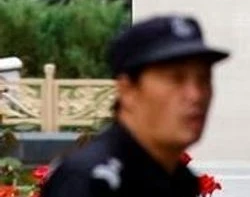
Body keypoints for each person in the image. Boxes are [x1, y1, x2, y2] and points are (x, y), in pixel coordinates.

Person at [39, 15, 230, 197]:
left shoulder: (180, 181)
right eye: (176, 79)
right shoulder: (93, 180)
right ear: (127, 90)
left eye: (203, 79)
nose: (196, 95)